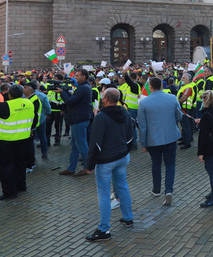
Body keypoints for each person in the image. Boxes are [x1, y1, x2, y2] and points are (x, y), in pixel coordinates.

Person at [85, 88, 134, 241]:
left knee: (104, 194)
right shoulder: (124, 112)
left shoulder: (101, 117)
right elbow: (131, 135)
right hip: (122, 156)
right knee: (122, 186)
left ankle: (104, 229)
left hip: (106, 160)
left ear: (106, 99)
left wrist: (89, 164)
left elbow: (96, 143)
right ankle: (128, 217)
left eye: (103, 95)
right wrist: (125, 150)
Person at [138, 77, 182, 206]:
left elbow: (142, 126)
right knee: (170, 164)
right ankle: (168, 190)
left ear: (150, 87)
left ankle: (156, 189)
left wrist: (143, 143)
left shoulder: (144, 103)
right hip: (170, 137)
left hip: (153, 139)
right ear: (162, 86)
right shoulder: (172, 98)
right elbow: (179, 116)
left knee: (156, 163)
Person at [57, 69, 95, 177]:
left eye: (77, 76)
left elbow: (70, 101)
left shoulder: (83, 89)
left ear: (83, 77)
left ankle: (88, 168)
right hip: (78, 119)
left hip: (79, 119)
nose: (76, 77)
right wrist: (70, 80)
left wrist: (62, 92)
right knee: (74, 144)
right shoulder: (84, 86)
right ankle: (71, 168)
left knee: (82, 144)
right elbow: (75, 86)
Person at [196, 90, 213, 207]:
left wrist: (201, 153)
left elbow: (204, 136)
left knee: (211, 170)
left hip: (209, 146)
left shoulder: (206, 114)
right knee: (212, 170)